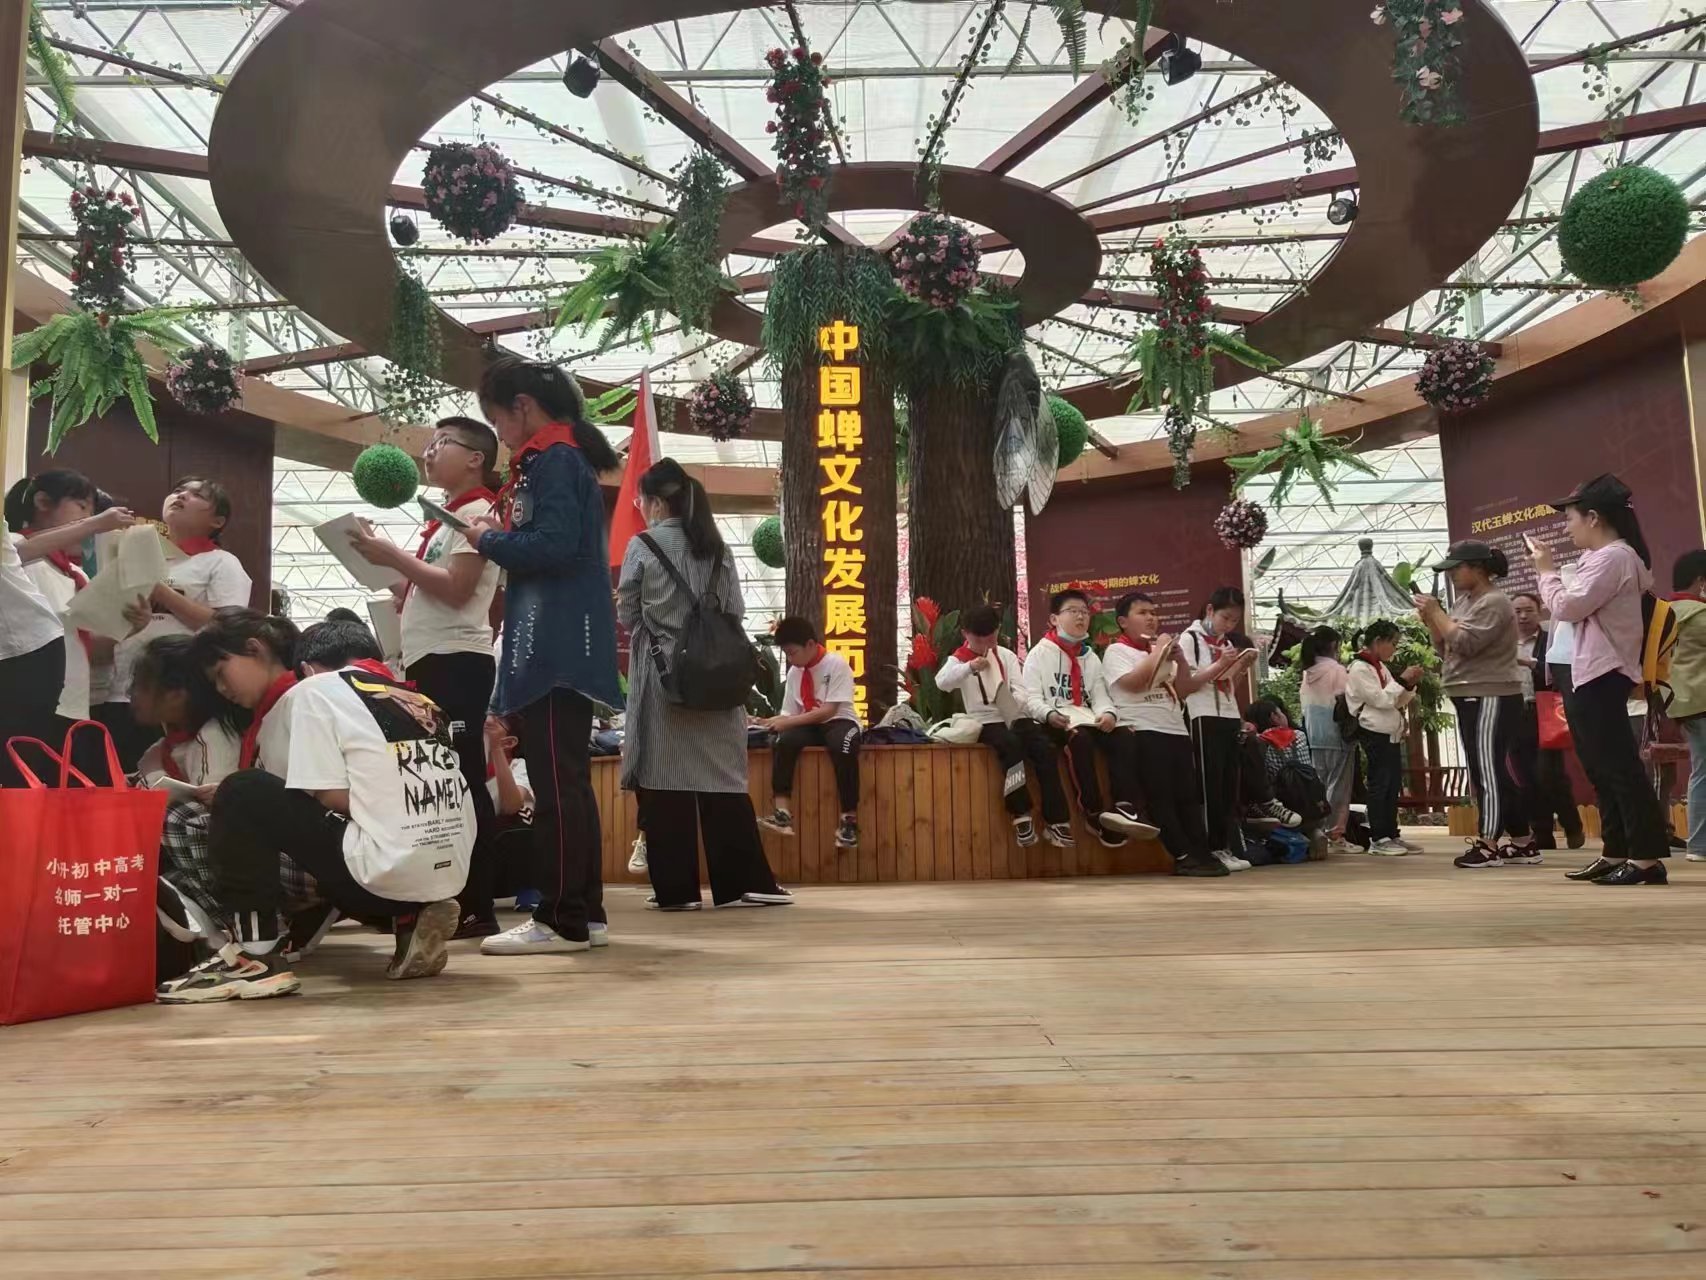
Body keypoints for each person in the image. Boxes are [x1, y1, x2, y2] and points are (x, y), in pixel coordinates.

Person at [158, 614, 473, 1002]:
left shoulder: (311, 691)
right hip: (449, 874)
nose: (222, 690)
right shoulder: (416, 699)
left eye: (221, 674)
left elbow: (332, 797)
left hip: (376, 875)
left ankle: (256, 956)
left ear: (305, 668)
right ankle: (410, 915)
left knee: (240, 792)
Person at [460, 355, 622, 955]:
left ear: (523, 407)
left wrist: (487, 538)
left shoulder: (552, 460)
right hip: (564, 639)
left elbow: (550, 546)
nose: (499, 435)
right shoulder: (562, 458)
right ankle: (585, 913)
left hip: (553, 643)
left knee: (556, 785)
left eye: (497, 420)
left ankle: (561, 919)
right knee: (567, 782)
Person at [349, 416, 504, 940]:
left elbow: (459, 590)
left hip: (457, 658)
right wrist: (383, 565)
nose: (429, 452)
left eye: (442, 443)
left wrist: (393, 555)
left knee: (462, 777)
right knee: (441, 780)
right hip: (432, 658)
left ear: (476, 458)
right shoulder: (446, 520)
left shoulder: (479, 514)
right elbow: (433, 588)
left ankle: (477, 903)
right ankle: (451, 898)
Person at [618, 458, 790, 910]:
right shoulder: (718, 549)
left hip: (664, 678)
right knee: (723, 780)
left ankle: (677, 892)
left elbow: (629, 612)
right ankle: (745, 884)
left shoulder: (643, 545)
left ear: (657, 503)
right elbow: (734, 610)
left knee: (664, 779)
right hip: (718, 679)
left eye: (642, 501)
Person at [1535, 475, 1672, 884]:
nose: (1567, 527)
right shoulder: (1603, 558)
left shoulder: (1614, 557)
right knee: (1600, 767)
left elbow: (1569, 607)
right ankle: (1616, 851)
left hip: (1600, 672)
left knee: (1618, 766)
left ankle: (1646, 858)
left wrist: (1546, 573)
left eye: (1570, 518)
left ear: (1593, 517)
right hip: (1584, 672)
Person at [111, 477, 253, 770]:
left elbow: (228, 627)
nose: (182, 496)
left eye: (197, 495)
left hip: (179, 696)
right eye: (178, 491)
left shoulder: (221, 562)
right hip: (122, 686)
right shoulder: (139, 556)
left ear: (217, 521)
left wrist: (161, 591)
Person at [1416, 542, 1535, 869]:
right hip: (1470, 691)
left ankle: (1488, 843)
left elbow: (1466, 642)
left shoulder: (1494, 601)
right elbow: (1445, 647)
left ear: (1479, 568)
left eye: (1458, 568)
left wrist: (1437, 613)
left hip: (1490, 693)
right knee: (1490, 768)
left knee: (1487, 771)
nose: (1453, 574)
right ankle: (1523, 841)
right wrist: (1432, 620)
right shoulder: (1466, 601)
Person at [1099, 592, 1230, 877]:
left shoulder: (1159, 652)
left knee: (1188, 797)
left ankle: (1201, 852)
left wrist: (1180, 661)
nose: (1151, 618)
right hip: (1144, 729)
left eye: (1153, 613)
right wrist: (1159, 650)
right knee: (1161, 797)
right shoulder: (1116, 651)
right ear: (1122, 622)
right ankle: (1182, 855)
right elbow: (1134, 684)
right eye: (1142, 613)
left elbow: (1182, 690)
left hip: (1176, 728)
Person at [1020, 588, 1155, 848]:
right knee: (1079, 739)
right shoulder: (1039, 653)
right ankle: (1093, 813)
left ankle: (1124, 806)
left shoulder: (1089, 656)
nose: (1081, 617)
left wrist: (1108, 713)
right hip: (1055, 720)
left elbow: (1100, 694)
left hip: (1086, 717)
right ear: (1054, 619)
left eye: (1084, 612)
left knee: (1123, 736)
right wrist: (1049, 714)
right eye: (1073, 611)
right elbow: (1031, 698)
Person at [5, 470, 135, 737]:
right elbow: (18, 553)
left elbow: (90, 647)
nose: (89, 516)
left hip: (74, 702)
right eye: (82, 506)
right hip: (26, 693)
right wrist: (95, 524)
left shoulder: (77, 574)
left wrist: (132, 625)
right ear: (43, 502)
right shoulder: (16, 545)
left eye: (92, 511)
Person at [130, 634, 247, 931]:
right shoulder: (168, 743)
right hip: (200, 857)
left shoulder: (214, 737)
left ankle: (235, 925)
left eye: (141, 685)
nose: (131, 694)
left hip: (234, 859)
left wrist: (154, 780)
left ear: (176, 694)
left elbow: (215, 818)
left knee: (177, 818)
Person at [936, 603, 1072, 849]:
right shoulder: (959, 658)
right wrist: (969, 668)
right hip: (986, 721)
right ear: (965, 634)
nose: (986, 645)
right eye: (979, 640)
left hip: (1014, 715)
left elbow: (1021, 690)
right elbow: (942, 683)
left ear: (998, 630)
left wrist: (1010, 700)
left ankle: (1057, 820)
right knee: (1010, 747)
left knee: (1044, 748)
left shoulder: (1006, 656)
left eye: (991, 638)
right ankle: (1021, 814)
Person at [757, 616, 863, 850]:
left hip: (839, 721)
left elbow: (828, 711)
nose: (790, 659)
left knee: (843, 746)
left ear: (810, 645)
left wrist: (789, 722)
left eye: (793, 652)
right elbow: (789, 713)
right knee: (783, 740)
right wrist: (768, 722)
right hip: (809, 724)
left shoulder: (836, 664)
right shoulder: (795, 673)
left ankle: (849, 821)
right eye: (787, 654)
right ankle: (782, 813)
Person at [1179, 587, 1262, 859]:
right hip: (1202, 715)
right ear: (1210, 610)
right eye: (1225, 618)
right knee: (1209, 786)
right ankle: (1211, 848)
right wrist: (1220, 665)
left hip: (1227, 714)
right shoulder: (1190, 638)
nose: (1229, 625)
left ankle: (1225, 847)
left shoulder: (1225, 643)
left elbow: (1226, 685)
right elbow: (1186, 684)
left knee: (1228, 787)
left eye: (1234, 621)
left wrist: (1240, 666)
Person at [1510, 591, 1584, 850]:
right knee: (1525, 776)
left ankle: (1571, 823)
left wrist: (1529, 663)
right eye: (1517, 611)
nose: (1522, 616)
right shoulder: (1504, 643)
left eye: (1528, 610)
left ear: (1540, 611)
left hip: (1545, 710)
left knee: (1548, 773)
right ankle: (1541, 833)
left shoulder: (1549, 640)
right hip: (1514, 712)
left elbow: (1558, 672)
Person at [1346, 621, 1419, 855]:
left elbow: (1395, 700)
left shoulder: (1380, 667)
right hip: (1373, 731)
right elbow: (1381, 699)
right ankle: (1378, 838)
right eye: (1393, 644)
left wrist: (1409, 685)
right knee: (1380, 784)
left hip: (1389, 732)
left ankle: (1391, 834)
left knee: (1391, 785)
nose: (1394, 649)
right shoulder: (1359, 668)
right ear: (1378, 642)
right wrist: (1402, 681)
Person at [1298, 626, 1356, 854]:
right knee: (1339, 785)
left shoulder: (1308, 672)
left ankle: (1319, 831)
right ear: (1333, 646)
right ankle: (1335, 834)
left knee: (1320, 785)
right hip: (1337, 733)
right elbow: (1347, 700)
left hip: (1314, 734)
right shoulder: (1337, 670)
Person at [1668, 550, 1706, 864]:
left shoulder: (1664, 613)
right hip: (1703, 698)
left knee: (1700, 770)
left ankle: (1698, 843)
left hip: (1681, 702)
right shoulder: (1700, 615)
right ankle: (1700, 844)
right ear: (1701, 581)